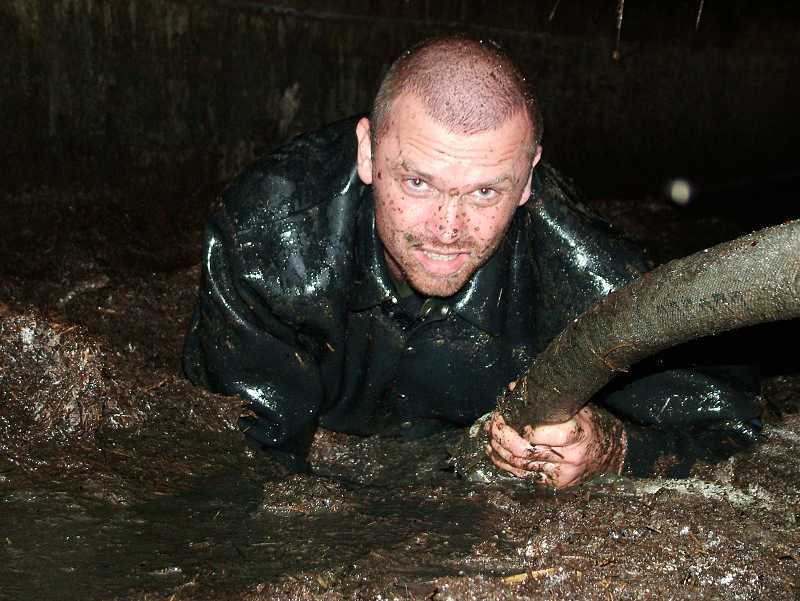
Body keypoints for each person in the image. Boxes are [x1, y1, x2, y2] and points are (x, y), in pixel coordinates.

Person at [183, 36, 760, 488]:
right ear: (367, 151)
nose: (447, 229)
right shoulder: (269, 242)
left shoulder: (580, 271)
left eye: (485, 192)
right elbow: (231, 459)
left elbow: (734, 424)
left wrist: (613, 449)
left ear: (527, 179)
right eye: (418, 183)